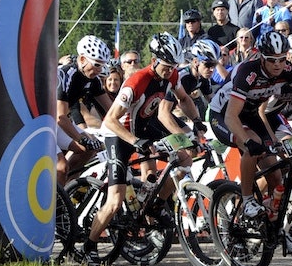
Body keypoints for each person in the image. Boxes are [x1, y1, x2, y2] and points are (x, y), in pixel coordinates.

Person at [91, 33, 203, 245]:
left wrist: (196, 122)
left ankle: (155, 205)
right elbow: (110, 120)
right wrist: (134, 142)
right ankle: (88, 247)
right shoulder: (136, 82)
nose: (170, 71)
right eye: (166, 66)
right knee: (115, 202)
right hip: (118, 132)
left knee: (185, 157)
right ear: (154, 61)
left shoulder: (172, 76)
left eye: (173, 66)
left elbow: (184, 99)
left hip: (145, 127)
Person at [208, 30, 292, 220]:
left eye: (282, 59)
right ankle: (247, 199)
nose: (278, 64)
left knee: (275, 175)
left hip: (249, 115)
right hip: (224, 115)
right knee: (253, 145)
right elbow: (232, 116)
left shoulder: (288, 70)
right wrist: (247, 141)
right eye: (272, 60)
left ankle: (275, 224)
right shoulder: (247, 72)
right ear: (261, 57)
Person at [55, 35, 113, 185]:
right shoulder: (65, 74)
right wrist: (82, 138)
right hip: (42, 122)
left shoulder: (93, 80)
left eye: (102, 65)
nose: (99, 70)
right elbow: (60, 117)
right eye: (96, 64)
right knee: (61, 166)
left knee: (89, 149)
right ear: (82, 59)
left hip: (56, 122)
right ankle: (56, 205)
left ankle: (67, 190)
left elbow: (112, 111)